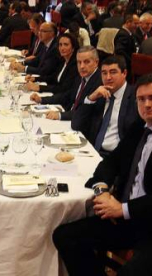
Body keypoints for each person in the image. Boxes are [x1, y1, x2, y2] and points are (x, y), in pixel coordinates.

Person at [53, 73, 152, 276]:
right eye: (141, 99)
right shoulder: (140, 129)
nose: (147, 105)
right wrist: (102, 191)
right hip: (128, 220)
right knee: (65, 236)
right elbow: (110, 162)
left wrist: (123, 209)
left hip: (148, 226)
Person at [72, 55, 141, 157]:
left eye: (113, 72)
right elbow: (76, 125)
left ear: (124, 73)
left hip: (117, 158)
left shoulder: (136, 97)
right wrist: (90, 98)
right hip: (92, 152)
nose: (108, 77)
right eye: (104, 73)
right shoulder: (100, 94)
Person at [29, 45, 102, 121]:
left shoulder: (99, 82)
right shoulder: (81, 77)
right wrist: (41, 99)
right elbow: (67, 96)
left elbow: (86, 113)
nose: (82, 66)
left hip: (80, 126)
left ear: (96, 62)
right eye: (79, 62)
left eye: (86, 62)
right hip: (69, 116)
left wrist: (60, 115)